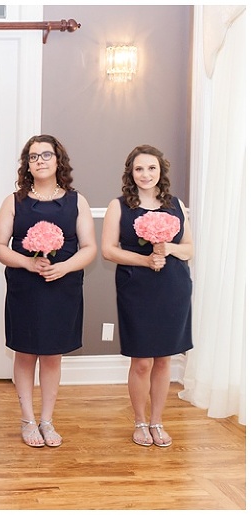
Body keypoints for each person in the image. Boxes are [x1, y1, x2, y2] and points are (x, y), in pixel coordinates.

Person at [0, 134, 96, 448]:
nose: (39, 161)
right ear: (27, 164)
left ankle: (47, 420)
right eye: (33, 156)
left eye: (45, 155)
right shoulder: (14, 201)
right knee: (25, 353)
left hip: (63, 286)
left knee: (53, 355)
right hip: (26, 287)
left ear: (58, 160)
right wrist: (27, 262)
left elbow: (89, 247)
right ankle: (27, 419)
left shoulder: (77, 201)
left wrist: (64, 267)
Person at [101, 145, 193, 447]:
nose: (145, 174)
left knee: (164, 360)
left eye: (151, 168)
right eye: (139, 168)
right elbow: (108, 250)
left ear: (160, 171)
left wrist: (168, 249)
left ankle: (157, 421)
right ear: (131, 172)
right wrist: (145, 260)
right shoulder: (119, 205)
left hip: (173, 287)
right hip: (135, 288)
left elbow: (189, 249)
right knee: (141, 361)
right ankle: (139, 421)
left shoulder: (175, 204)